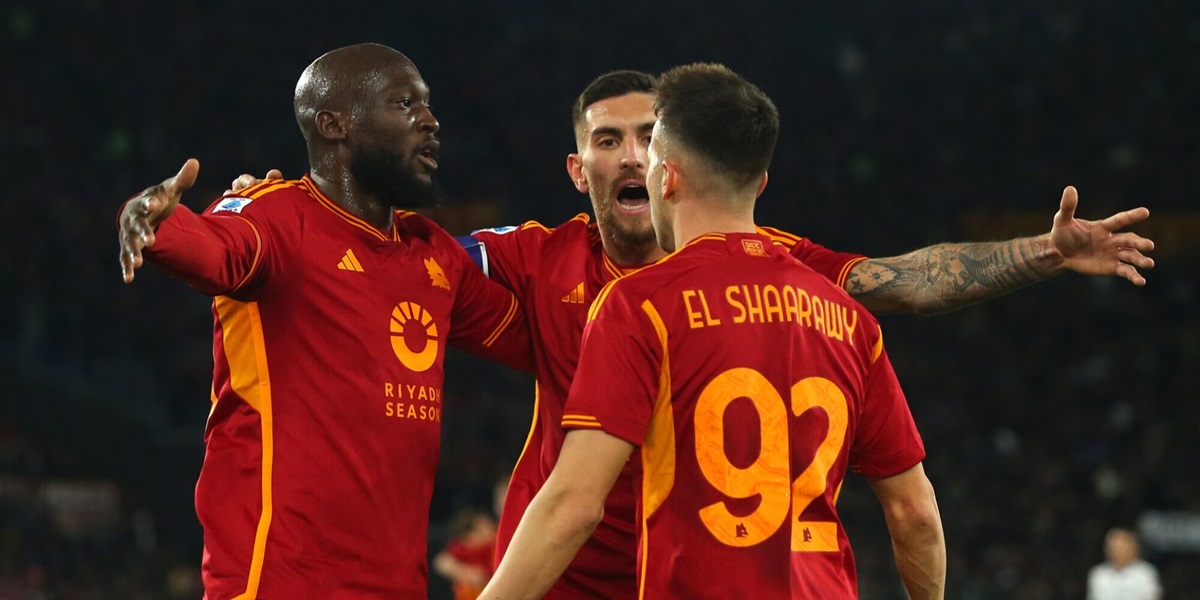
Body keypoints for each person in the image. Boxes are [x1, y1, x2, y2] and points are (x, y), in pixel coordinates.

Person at [230, 69, 1155, 598]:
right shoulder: (532, 257)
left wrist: (1042, 251)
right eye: (608, 140)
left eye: (648, 135)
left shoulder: (775, 266)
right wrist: (293, 205)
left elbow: (902, 282)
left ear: (670, 162)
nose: (631, 154)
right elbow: (394, 258)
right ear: (579, 168)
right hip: (567, 580)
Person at [480, 62, 945, 600]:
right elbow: (915, 513)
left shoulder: (639, 305)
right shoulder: (851, 319)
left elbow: (575, 505)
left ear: (666, 178)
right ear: (760, 182)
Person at [116, 43, 533, 599]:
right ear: (335, 125)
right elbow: (212, 248)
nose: (430, 121)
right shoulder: (278, 217)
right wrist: (151, 220)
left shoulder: (431, 253)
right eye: (404, 103)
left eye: (427, 104)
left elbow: (539, 339)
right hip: (279, 582)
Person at [434, 508, 500, 600]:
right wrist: (466, 573)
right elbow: (442, 562)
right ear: (470, 536)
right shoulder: (461, 550)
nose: (491, 527)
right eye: (483, 526)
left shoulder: (496, 543)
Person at [1087, 527, 1162, 600]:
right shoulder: (1098, 574)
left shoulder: (1145, 573)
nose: (1117, 551)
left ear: (1133, 548)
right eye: (1113, 546)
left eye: (1121, 546)